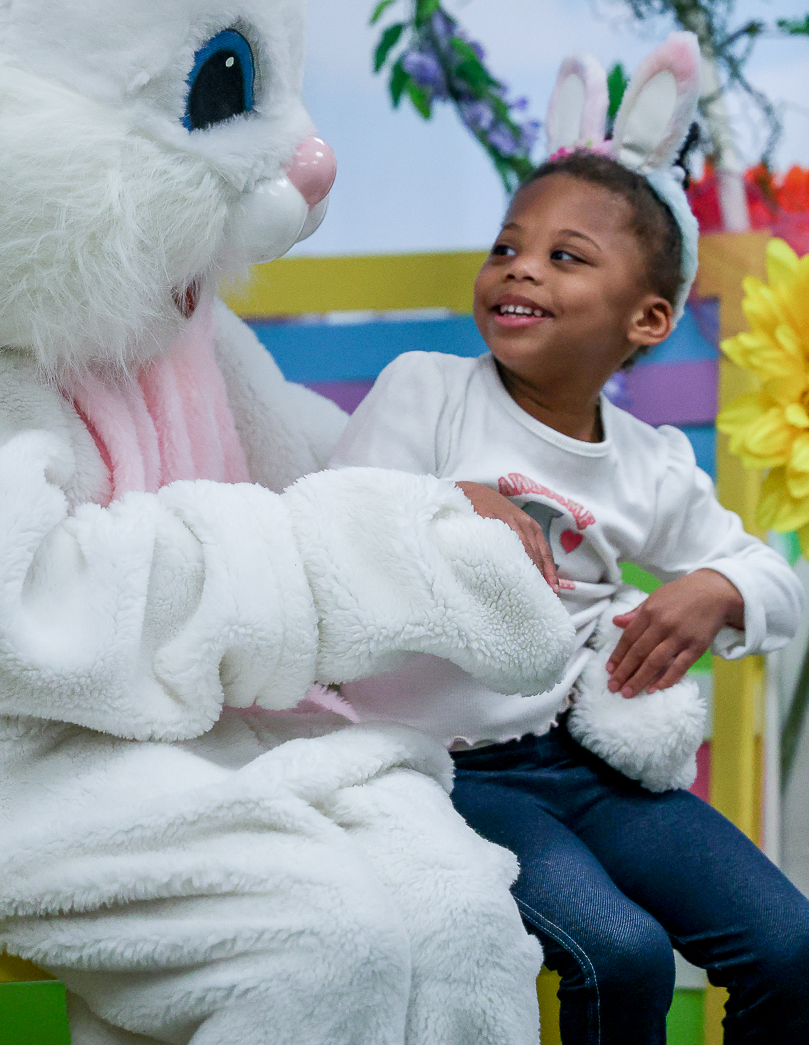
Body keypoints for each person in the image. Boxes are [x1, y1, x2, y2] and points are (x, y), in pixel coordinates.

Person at [330, 144, 809, 1044]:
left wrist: (719, 586)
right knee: (620, 954)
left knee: (791, 947)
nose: (521, 268)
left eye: (565, 256)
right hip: (448, 770)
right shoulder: (429, 391)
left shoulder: (650, 462)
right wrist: (450, 503)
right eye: (507, 247)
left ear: (648, 318)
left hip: (582, 764)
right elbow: (333, 525)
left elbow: (779, 584)